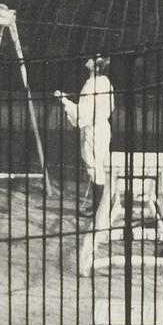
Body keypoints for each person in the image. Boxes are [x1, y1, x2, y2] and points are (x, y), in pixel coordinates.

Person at [55, 55, 114, 216]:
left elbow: (82, 112)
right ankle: (100, 206)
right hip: (101, 128)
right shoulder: (105, 82)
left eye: (93, 59)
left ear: (96, 67)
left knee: (95, 167)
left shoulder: (92, 85)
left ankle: (99, 209)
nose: (88, 59)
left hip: (93, 130)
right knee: (99, 166)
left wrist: (64, 100)